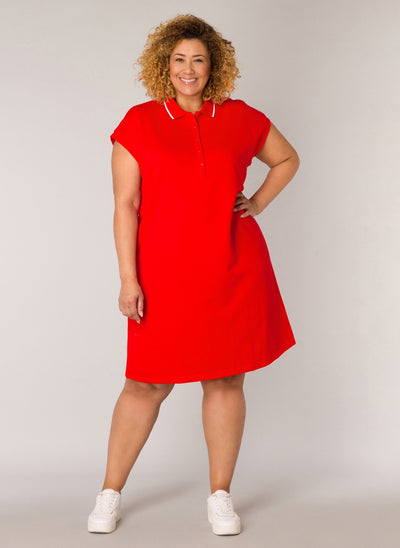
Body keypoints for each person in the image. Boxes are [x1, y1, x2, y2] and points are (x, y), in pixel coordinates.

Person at [88, 13, 300, 536]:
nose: (189, 69)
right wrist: (128, 279)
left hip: (233, 268)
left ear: (213, 66)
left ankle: (220, 496)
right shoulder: (139, 123)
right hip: (162, 274)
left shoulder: (241, 117)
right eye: (179, 59)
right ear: (165, 64)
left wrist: (255, 204)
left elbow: (286, 159)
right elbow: (125, 206)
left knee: (225, 378)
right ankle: (109, 492)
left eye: (199, 60)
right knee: (145, 383)